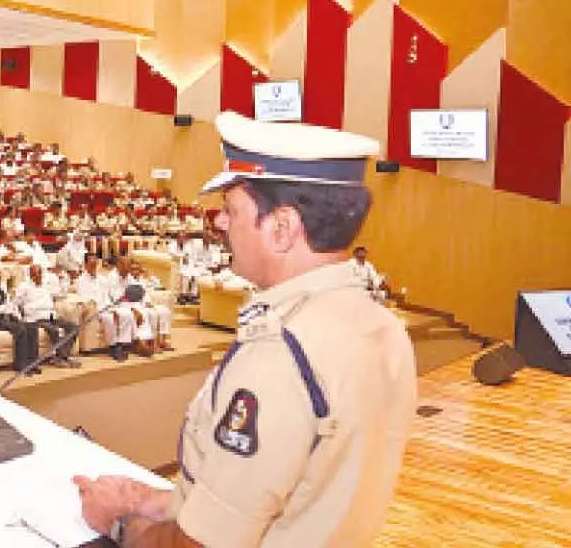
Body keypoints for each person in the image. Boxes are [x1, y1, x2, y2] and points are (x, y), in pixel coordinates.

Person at [74, 112, 417, 547]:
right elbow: (297, 499)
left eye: (232, 209)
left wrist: (119, 522)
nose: (219, 223)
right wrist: (161, 501)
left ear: (281, 229)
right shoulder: (383, 328)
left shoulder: (280, 356)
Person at [15, 263, 80, 369]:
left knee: (73, 327)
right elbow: (17, 303)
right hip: (36, 317)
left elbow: (60, 293)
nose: (38, 276)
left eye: (39, 273)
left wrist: (63, 280)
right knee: (54, 330)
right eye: (35, 274)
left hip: (51, 316)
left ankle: (62, 357)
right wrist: (22, 315)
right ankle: (62, 358)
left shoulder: (46, 285)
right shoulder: (24, 286)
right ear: (30, 275)